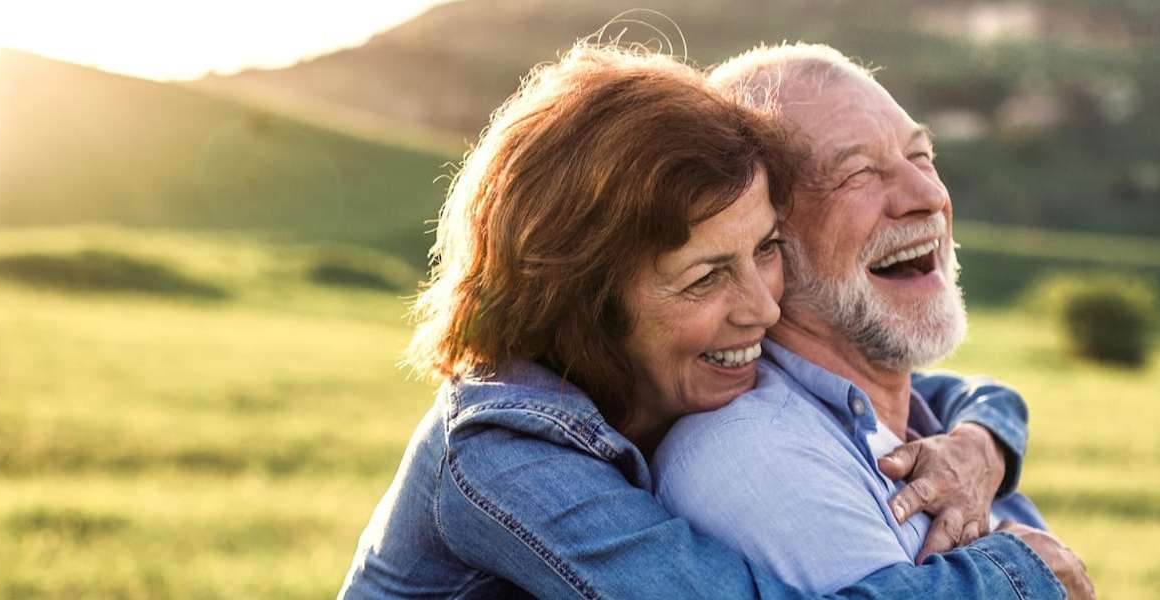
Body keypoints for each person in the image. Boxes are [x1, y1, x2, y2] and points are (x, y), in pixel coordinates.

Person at [338, 41, 1082, 599]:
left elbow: (944, 392)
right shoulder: (502, 456)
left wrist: (983, 442)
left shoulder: (668, 383)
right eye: (705, 278)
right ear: (588, 304)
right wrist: (1015, 574)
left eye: (763, 250)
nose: (763, 307)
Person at [652, 43, 1095, 598]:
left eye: (921, 157)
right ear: (762, 234)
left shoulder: (933, 426)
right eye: (857, 173)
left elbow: (979, 396)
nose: (928, 196)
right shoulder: (753, 454)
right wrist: (1028, 576)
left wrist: (987, 437)